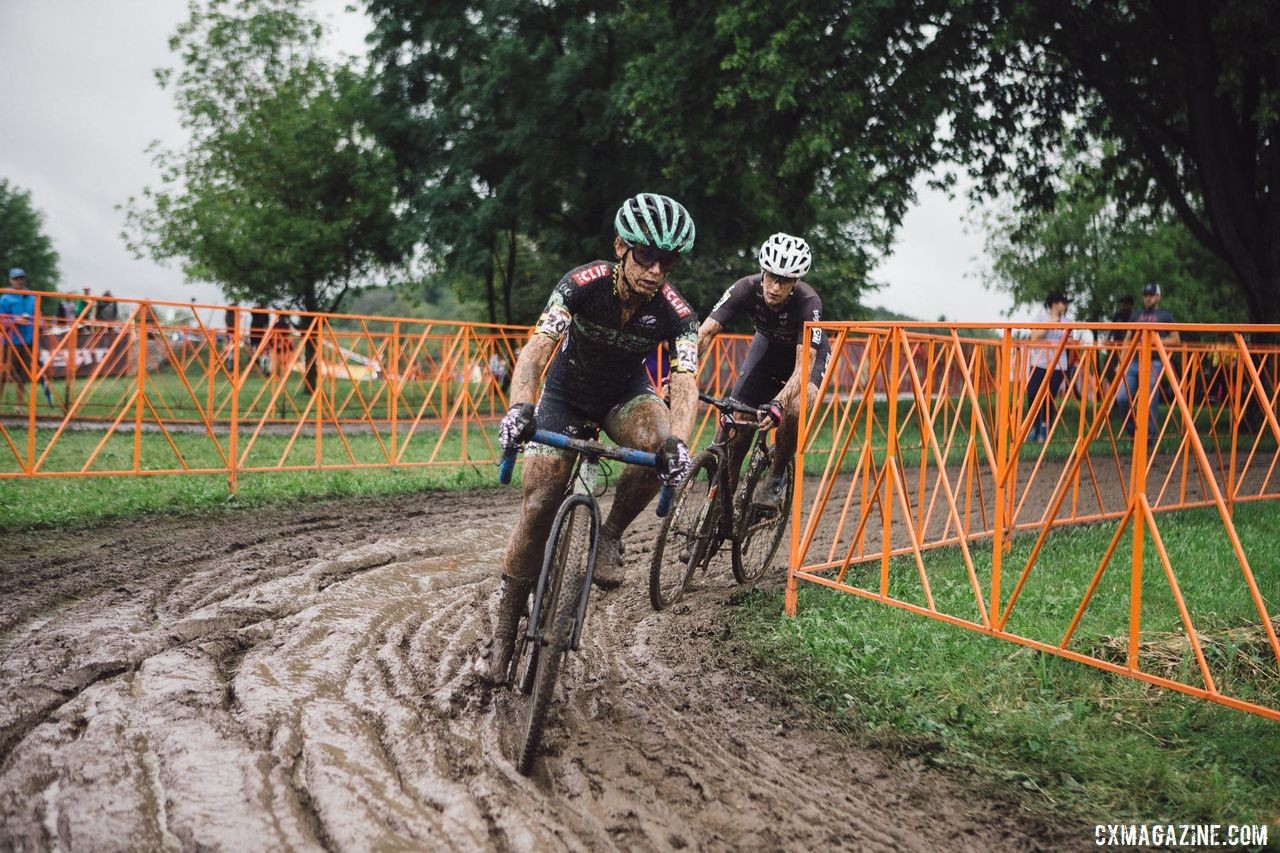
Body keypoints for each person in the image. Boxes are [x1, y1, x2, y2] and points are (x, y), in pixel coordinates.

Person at [481, 192, 700, 683]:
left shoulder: (677, 312)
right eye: (646, 256)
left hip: (626, 396)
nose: (656, 270)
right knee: (539, 504)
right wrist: (520, 406)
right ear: (621, 246)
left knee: (657, 447)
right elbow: (537, 350)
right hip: (565, 393)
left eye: (668, 260)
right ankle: (502, 632)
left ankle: (611, 535)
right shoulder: (582, 284)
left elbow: (685, 381)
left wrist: (679, 442)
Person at [695, 232, 830, 513]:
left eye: (785, 281)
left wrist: (778, 404)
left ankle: (777, 474)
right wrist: (681, 372)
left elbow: (804, 366)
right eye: (771, 276)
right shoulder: (746, 287)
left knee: (795, 408)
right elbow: (704, 333)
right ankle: (722, 506)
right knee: (736, 420)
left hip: (804, 360)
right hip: (766, 352)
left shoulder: (809, 302)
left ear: (795, 282)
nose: (775, 287)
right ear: (762, 272)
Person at [1114, 281, 1179, 441]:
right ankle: (1133, 433)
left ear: (1158, 296)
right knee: (1122, 397)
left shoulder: (1166, 316)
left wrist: (1154, 341)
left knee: (1150, 396)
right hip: (1134, 361)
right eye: (1145, 295)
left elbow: (1176, 339)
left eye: (1151, 295)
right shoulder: (1136, 315)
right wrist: (1121, 362)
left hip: (1154, 361)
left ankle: (1148, 437)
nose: (1148, 298)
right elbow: (1128, 339)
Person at [1025, 292, 1072, 442]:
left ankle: (1045, 429)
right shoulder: (1040, 317)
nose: (1065, 305)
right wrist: (1051, 323)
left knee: (1049, 397)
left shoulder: (1067, 321)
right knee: (1032, 393)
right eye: (1062, 302)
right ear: (1053, 303)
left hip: (1058, 365)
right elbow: (1034, 337)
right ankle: (1034, 426)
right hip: (1039, 363)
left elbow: (1070, 343)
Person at [0, 269, 38, 413]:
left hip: (27, 341)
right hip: (9, 342)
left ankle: (18, 406)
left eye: (21, 278)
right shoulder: (5, 298)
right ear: (11, 280)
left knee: (23, 376)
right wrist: (14, 320)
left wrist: (34, 321)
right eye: (16, 278)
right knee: (3, 374)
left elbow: (37, 316)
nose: (19, 281)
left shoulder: (33, 297)